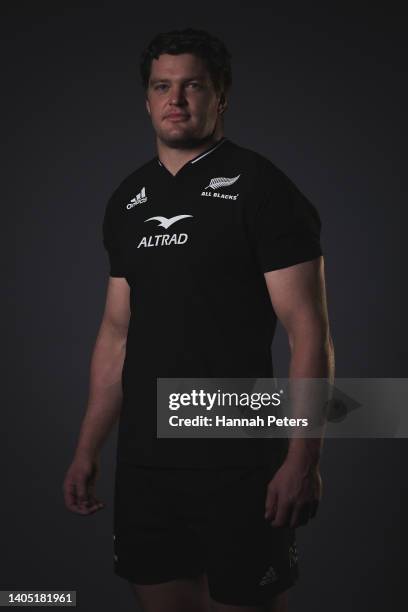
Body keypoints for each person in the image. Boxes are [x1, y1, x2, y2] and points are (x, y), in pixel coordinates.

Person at [63, 28, 335, 612]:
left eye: (193, 86)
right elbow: (117, 335)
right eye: (163, 86)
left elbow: (308, 333)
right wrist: (88, 448)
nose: (176, 99)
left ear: (222, 95)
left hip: (238, 458)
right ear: (147, 98)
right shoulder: (127, 199)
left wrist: (302, 457)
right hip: (146, 463)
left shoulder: (263, 189)